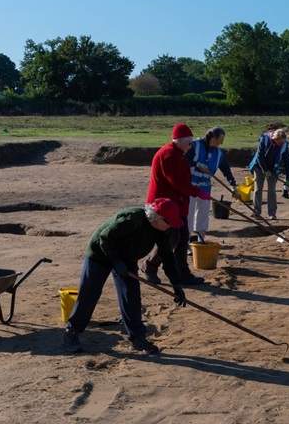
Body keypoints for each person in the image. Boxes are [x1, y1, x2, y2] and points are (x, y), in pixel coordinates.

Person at [63, 198, 187, 356]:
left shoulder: (163, 230)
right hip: (100, 254)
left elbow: (168, 256)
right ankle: (71, 332)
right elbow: (105, 238)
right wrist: (116, 262)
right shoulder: (132, 219)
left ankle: (137, 338)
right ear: (156, 218)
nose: (171, 226)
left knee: (131, 296)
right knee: (89, 293)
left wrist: (176, 283)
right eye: (168, 222)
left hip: (127, 258)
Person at [140, 123, 209, 285]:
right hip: (163, 205)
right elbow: (176, 182)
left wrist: (194, 189)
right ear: (179, 140)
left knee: (183, 237)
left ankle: (182, 273)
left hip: (177, 204)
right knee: (173, 238)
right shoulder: (169, 155)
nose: (191, 146)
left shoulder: (178, 154)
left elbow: (183, 179)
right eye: (189, 142)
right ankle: (149, 266)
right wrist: (196, 192)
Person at [185, 126, 237, 242]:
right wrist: (196, 164)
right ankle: (186, 244)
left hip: (205, 187)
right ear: (212, 138)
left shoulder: (218, 153)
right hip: (190, 186)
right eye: (219, 140)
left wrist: (233, 186)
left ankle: (201, 240)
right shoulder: (194, 145)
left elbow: (226, 170)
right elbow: (183, 159)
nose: (221, 143)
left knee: (203, 215)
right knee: (188, 214)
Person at [249, 128, 289, 219]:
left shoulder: (284, 146)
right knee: (258, 189)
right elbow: (259, 156)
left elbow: (287, 162)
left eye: (283, 142)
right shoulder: (265, 140)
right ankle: (256, 211)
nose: (282, 144)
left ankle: (272, 213)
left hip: (273, 169)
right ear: (276, 139)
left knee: (271, 191)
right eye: (281, 142)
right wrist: (265, 170)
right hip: (259, 166)